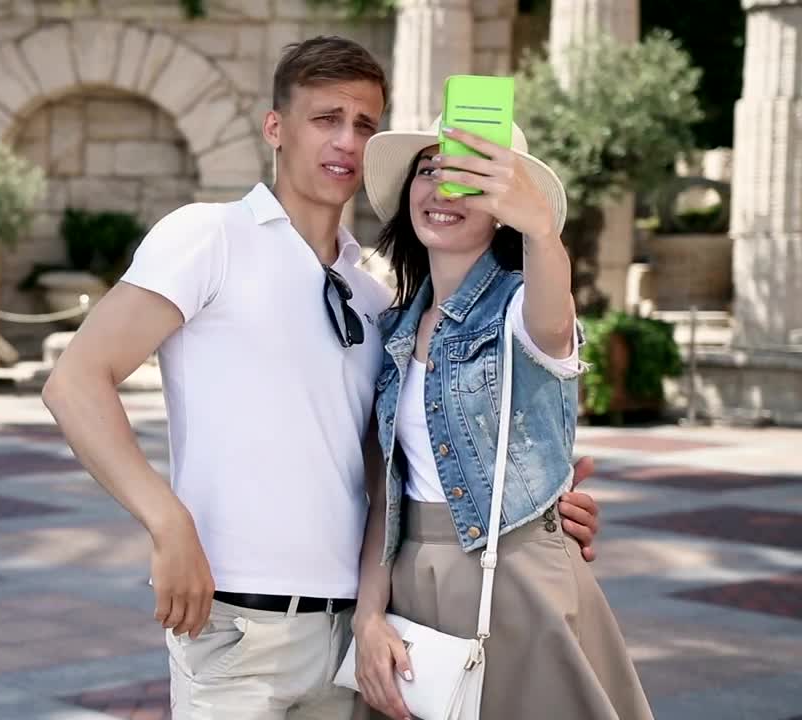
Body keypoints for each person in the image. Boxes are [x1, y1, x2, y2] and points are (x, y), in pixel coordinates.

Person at [42, 36, 601, 720]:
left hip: (357, 636)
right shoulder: (209, 236)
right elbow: (75, 381)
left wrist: (538, 507)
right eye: (325, 118)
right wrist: (167, 521)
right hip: (238, 627)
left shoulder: (375, 298)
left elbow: (390, 473)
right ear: (275, 127)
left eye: (363, 124)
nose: (345, 140)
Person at [349, 118, 652, 720]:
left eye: (469, 177)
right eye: (430, 171)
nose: (443, 190)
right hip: (413, 580)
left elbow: (552, 321)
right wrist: (368, 615)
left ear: (501, 208)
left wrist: (540, 227)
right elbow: (387, 497)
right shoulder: (395, 329)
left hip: (515, 580)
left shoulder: (518, 307)